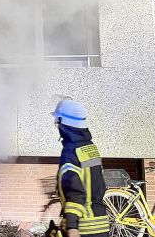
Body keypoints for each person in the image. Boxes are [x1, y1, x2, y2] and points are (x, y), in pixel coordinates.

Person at [54, 99, 109, 237]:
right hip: (101, 224)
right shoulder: (90, 147)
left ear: (64, 124)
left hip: (84, 227)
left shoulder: (70, 152)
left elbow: (75, 191)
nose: (57, 127)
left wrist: (72, 226)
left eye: (57, 123)